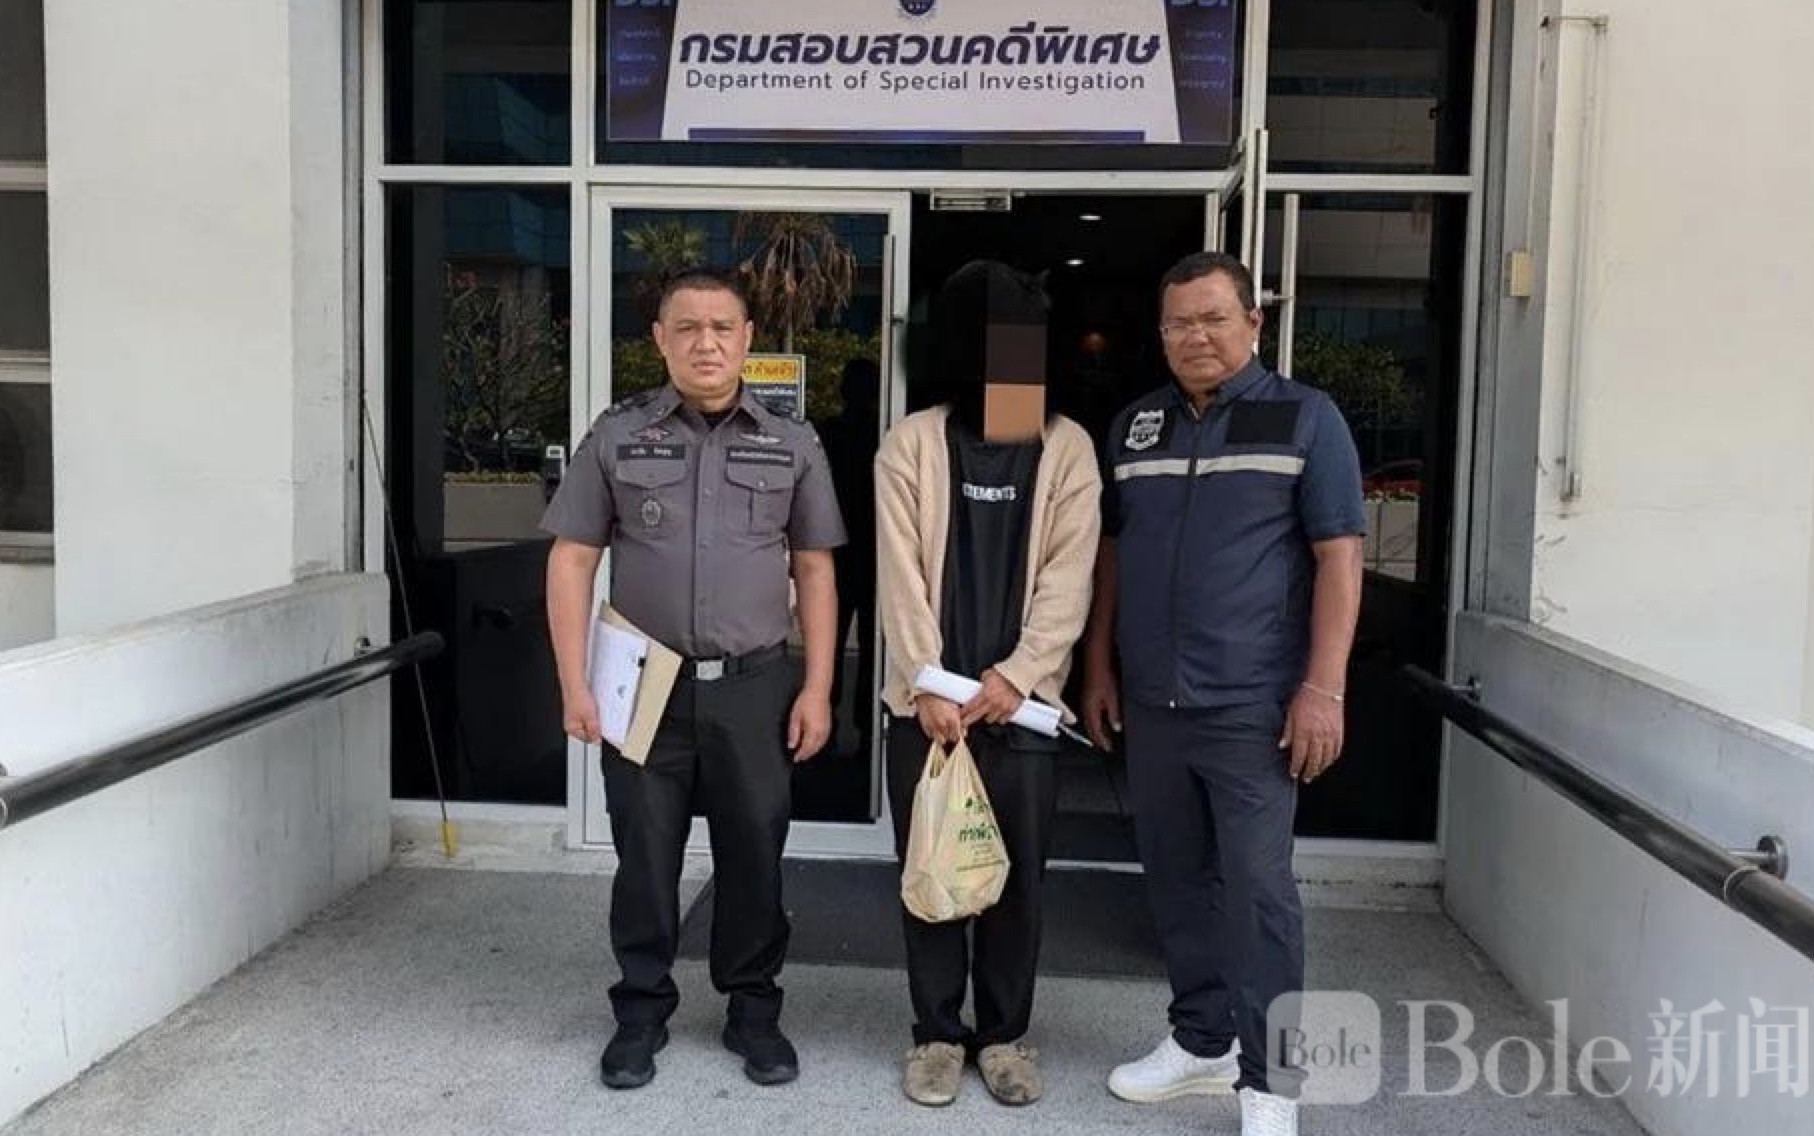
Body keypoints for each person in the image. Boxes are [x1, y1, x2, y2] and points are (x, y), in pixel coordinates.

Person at [1080, 252, 1365, 1136]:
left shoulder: (1304, 419)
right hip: (1153, 702)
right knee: (1174, 880)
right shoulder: (1137, 427)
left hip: (1252, 707)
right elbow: (1114, 556)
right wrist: (1098, 668)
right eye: (1178, 322)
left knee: (1258, 894)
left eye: (1213, 318)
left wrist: (1324, 688)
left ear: (1254, 322)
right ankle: (1201, 1038)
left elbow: (1339, 558)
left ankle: (1272, 1080)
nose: (1195, 336)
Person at [541, 269, 846, 1092]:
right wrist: (574, 684)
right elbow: (571, 561)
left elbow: (816, 571)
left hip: (754, 686)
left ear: (747, 339)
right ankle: (640, 1012)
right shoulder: (618, 435)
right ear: (660, 340)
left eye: (721, 328)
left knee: (755, 853)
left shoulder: (791, 442)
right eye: (687, 328)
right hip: (644, 683)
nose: (705, 343)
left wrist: (817, 688)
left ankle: (753, 1010)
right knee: (644, 855)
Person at [875, 260, 1102, 1108]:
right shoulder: (911, 443)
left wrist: (1018, 676)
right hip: (927, 711)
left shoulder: (1067, 447)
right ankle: (936, 1034)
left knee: (1017, 884)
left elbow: (1070, 577)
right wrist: (926, 684)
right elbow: (899, 578)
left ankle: (1004, 1037)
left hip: (1024, 715)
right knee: (931, 878)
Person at [820, 357, 881, 762]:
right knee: (872, 651)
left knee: (829, 646)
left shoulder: (828, 434)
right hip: (870, 555)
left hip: (838, 554)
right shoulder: (885, 433)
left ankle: (825, 728)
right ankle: (866, 733)